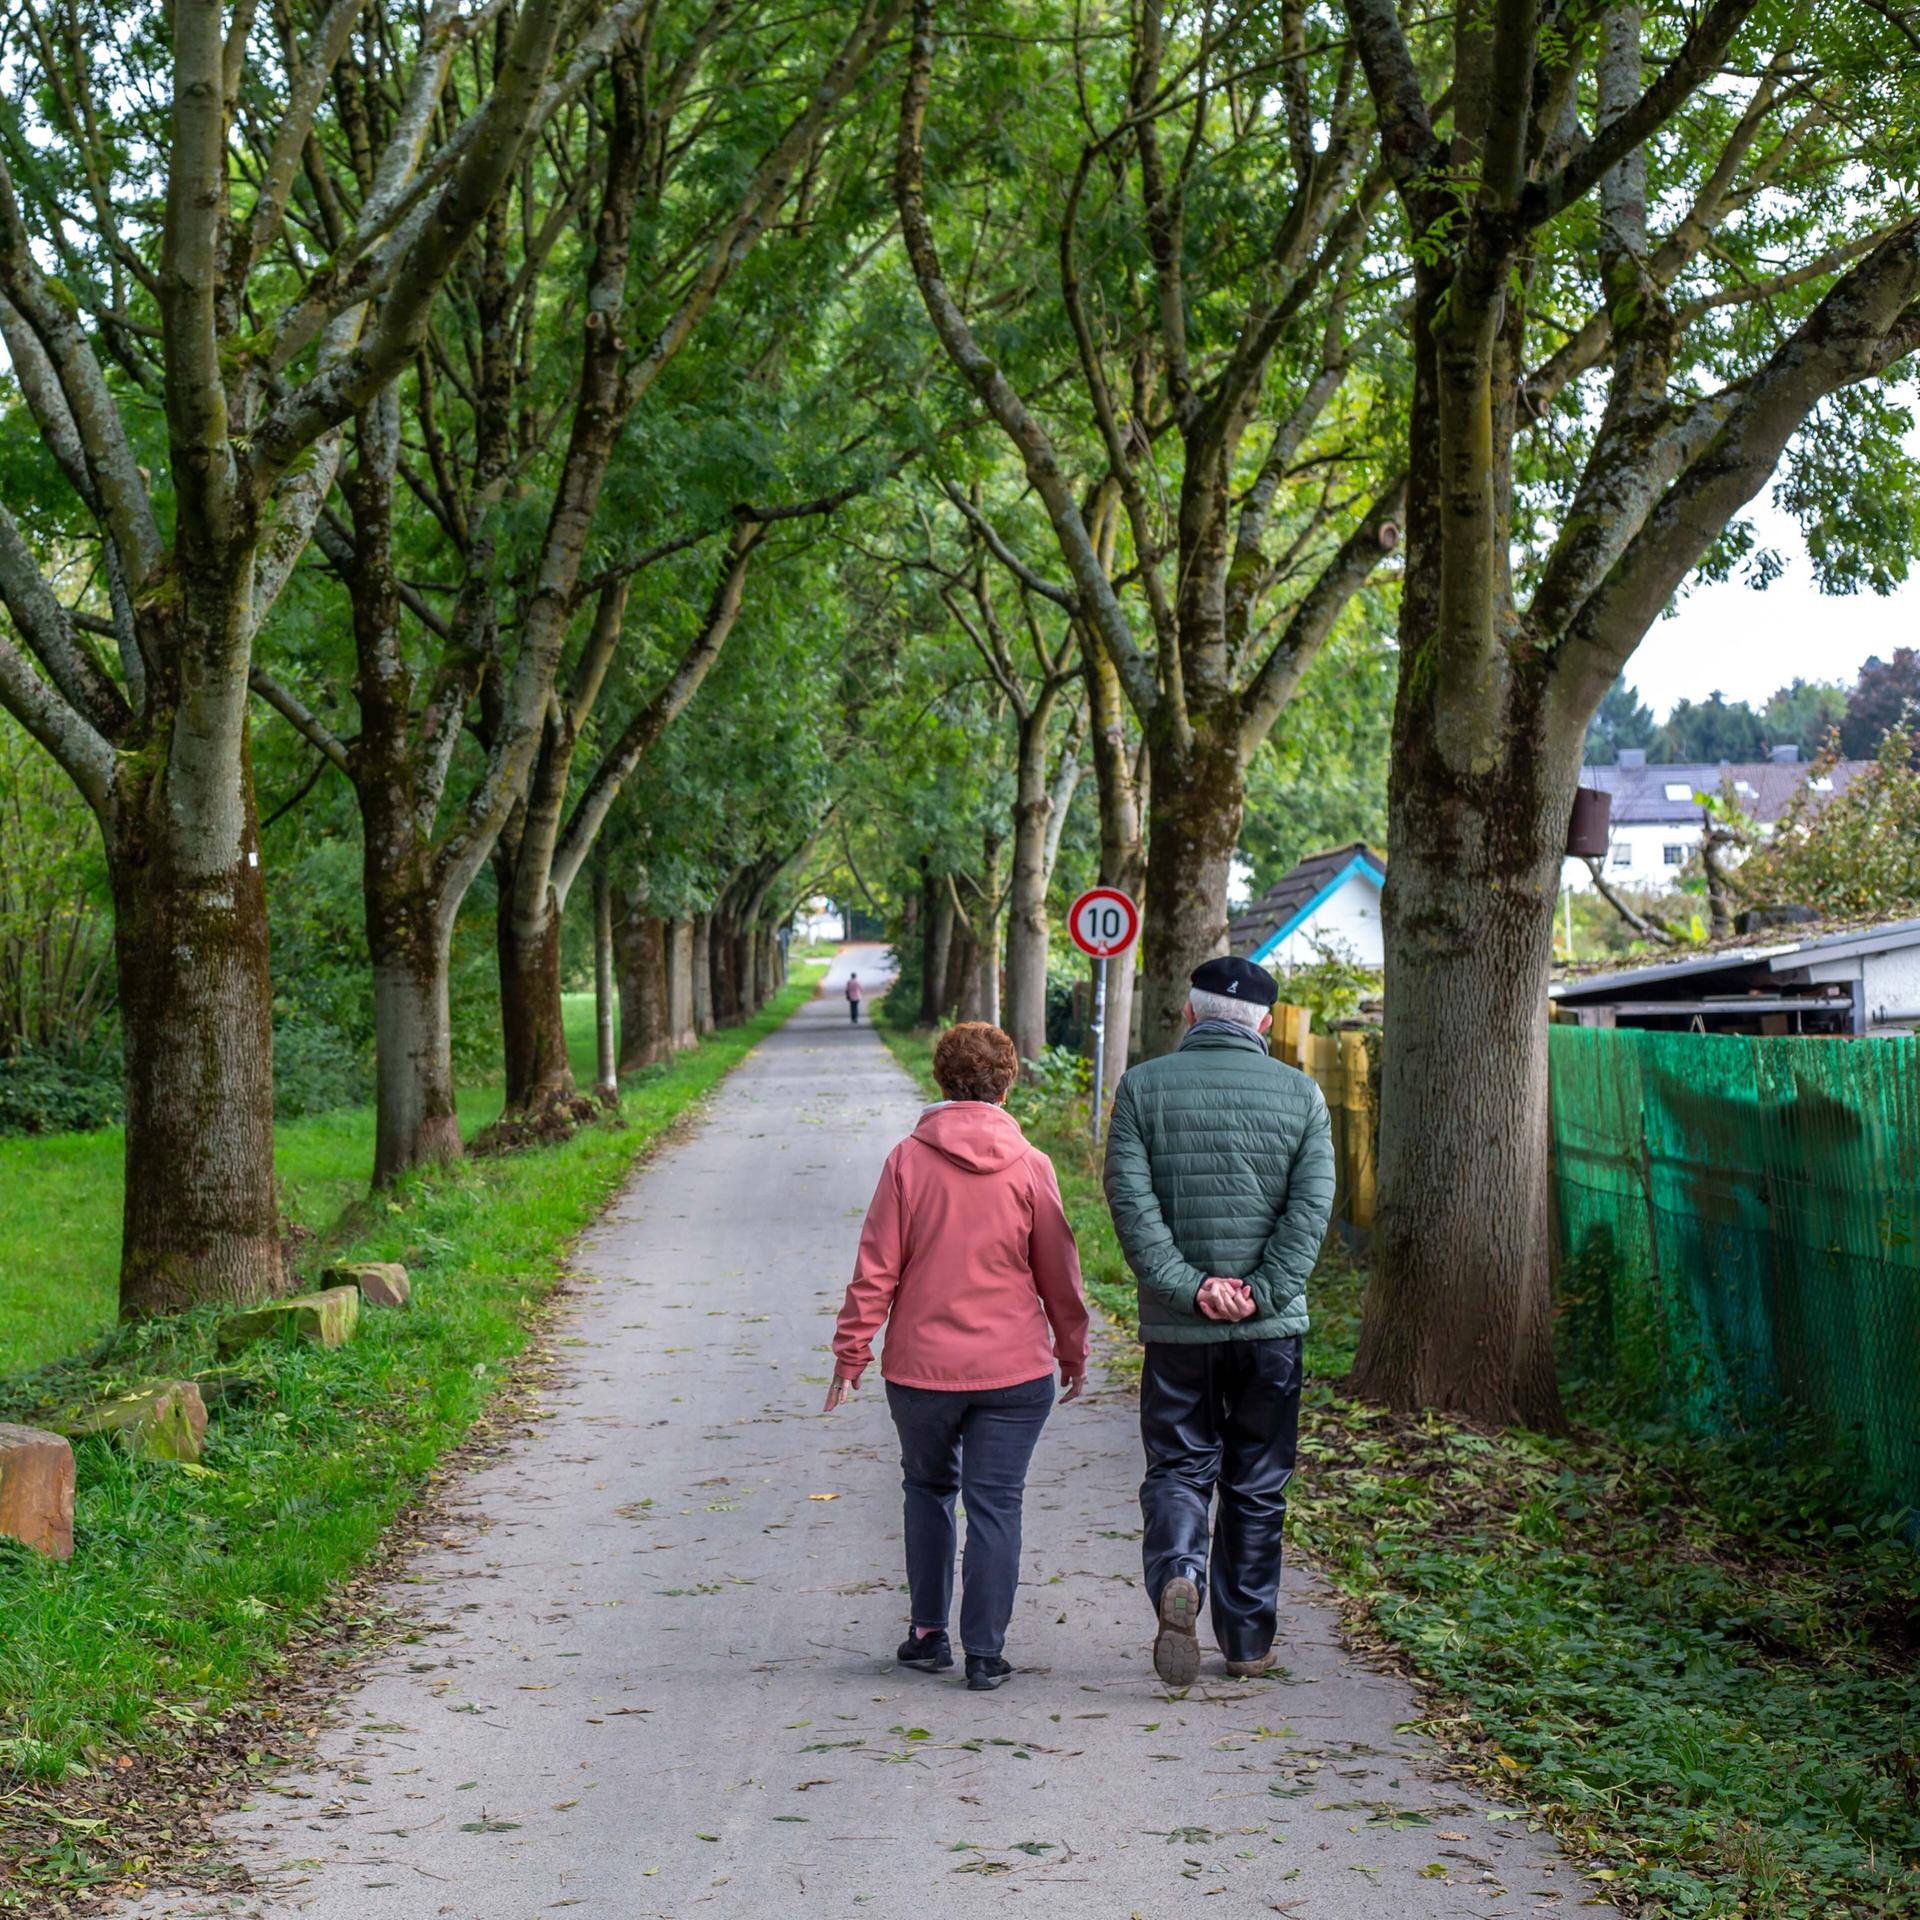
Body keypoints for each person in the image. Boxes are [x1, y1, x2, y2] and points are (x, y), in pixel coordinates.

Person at [825, 1022, 1088, 1692]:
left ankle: (926, 1634)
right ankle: (986, 1653)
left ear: (940, 1080)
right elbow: (1060, 1272)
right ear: (1008, 1081)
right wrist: (1073, 1351)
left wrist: (852, 1353)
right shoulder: (1032, 1165)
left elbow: (875, 1270)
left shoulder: (907, 1162)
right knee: (997, 1504)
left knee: (929, 1488)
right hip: (1016, 1371)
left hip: (921, 1373)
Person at [1103, 955, 1334, 1685]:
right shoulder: (1303, 1096)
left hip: (1180, 1331)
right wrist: (1260, 1293)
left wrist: (1191, 1288)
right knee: (1257, 1483)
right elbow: (1309, 1213)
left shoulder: (1141, 1088)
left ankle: (1181, 1576)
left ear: (1189, 1014)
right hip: (1270, 1336)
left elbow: (1132, 1209)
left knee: (1177, 1468)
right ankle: (1246, 1644)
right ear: (1265, 1023)